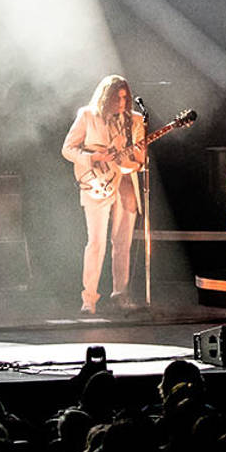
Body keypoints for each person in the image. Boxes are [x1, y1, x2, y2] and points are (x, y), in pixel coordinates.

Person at [62, 74, 145, 314]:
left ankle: (121, 295)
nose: (122, 102)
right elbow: (67, 148)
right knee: (96, 242)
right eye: (117, 98)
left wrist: (134, 161)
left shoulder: (136, 120)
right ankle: (89, 300)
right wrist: (93, 158)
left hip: (125, 183)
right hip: (96, 183)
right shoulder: (88, 115)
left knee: (122, 244)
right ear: (106, 97)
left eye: (125, 98)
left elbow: (140, 160)